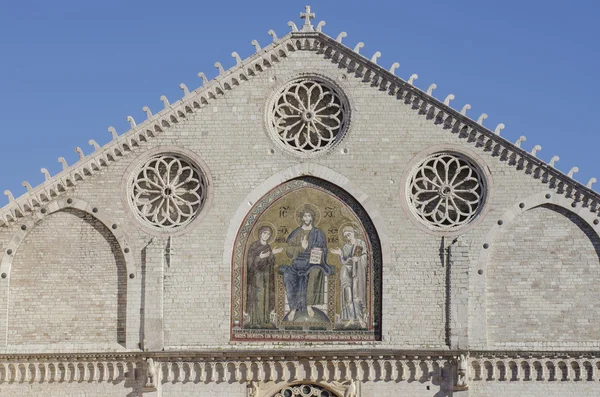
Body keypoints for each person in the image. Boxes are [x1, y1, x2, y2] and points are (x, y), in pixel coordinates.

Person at [280, 206, 333, 321]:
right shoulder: (296, 232)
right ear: (302, 218)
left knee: (314, 272)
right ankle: (293, 308)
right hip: (298, 262)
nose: (307, 218)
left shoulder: (319, 233)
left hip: (313, 262)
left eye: (309, 216)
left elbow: (324, 249)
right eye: (305, 216)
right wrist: (300, 248)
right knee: (288, 275)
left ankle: (309, 305)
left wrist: (319, 252)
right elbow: (289, 252)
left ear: (312, 218)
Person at [245, 226, 282, 327]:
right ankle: (255, 321)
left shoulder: (268, 247)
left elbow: (271, 263)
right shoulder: (254, 246)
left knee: (266, 297)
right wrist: (259, 257)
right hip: (256, 277)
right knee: (258, 297)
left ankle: (265, 320)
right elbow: (250, 262)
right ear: (260, 233)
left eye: (268, 234)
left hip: (266, 276)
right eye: (264, 233)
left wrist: (272, 254)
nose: (266, 236)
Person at [331, 225, 367, 327]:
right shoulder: (346, 247)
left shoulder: (360, 243)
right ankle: (351, 318)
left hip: (357, 271)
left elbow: (364, 256)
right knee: (348, 296)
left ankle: (360, 319)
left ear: (353, 233)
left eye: (348, 234)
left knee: (356, 296)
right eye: (345, 236)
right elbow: (343, 261)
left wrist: (359, 259)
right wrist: (340, 254)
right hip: (346, 271)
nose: (347, 237)